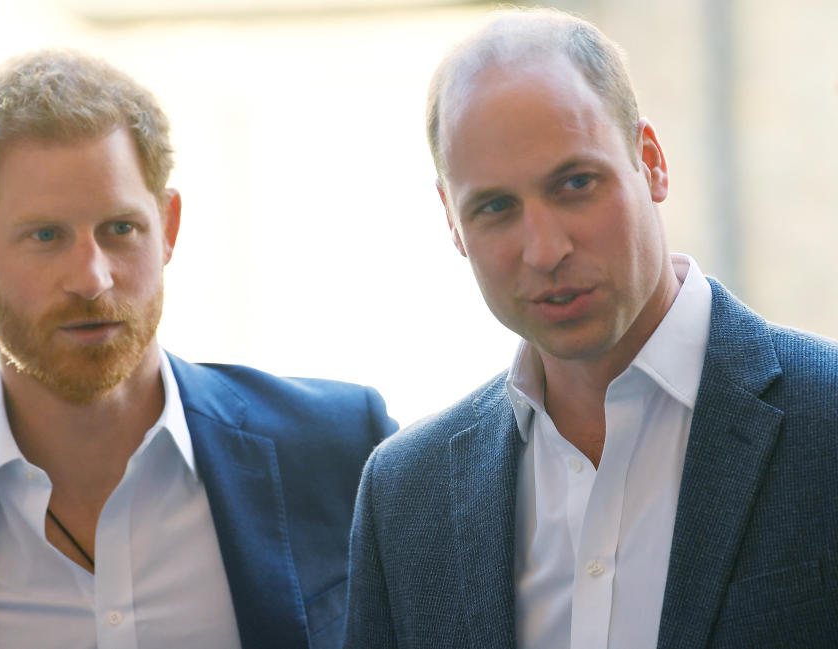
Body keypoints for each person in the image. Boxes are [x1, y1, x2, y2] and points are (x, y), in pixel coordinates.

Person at [343, 8, 837, 649]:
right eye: (495, 208)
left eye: (576, 183)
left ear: (651, 161)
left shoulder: (825, 421)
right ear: (452, 222)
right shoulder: (404, 497)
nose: (544, 249)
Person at [0, 50, 396, 649]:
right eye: (46, 236)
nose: (91, 278)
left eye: (120, 229)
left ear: (168, 226)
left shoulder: (344, 451)